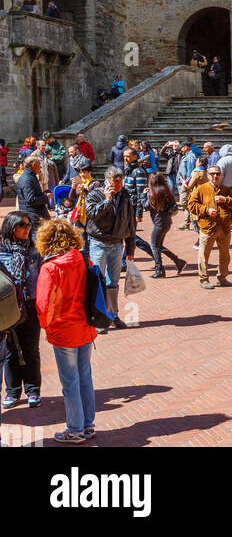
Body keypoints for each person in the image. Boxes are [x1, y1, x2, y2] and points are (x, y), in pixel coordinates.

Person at [34, 217, 97, 444]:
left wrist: (46, 325)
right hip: (84, 325)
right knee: (84, 377)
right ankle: (87, 425)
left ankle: (75, 429)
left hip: (64, 329)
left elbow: (43, 304)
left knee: (70, 382)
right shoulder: (81, 258)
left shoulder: (50, 267)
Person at [84, 168, 136, 328]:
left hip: (117, 244)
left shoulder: (125, 195)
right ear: (107, 180)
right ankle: (98, 318)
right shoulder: (95, 194)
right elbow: (91, 214)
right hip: (98, 243)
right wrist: (107, 201)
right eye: (116, 182)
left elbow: (130, 222)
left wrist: (131, 248)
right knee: (98, 282)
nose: (119, 185)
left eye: (121, 182)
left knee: (113, 282)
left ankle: (113, 315)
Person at [0, 211, 42, 409]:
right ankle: (13, 391)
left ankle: (33, 390)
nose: (27, 229)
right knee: (9, 350)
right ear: (11, 227)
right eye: (22, 225)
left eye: (29, 225)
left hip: (30, 304)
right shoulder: (1, 251)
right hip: (8, 307)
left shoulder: (34, 251)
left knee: (31, 348)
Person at [188, 164, 232, 287]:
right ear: (208, 175)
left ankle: (222, 277)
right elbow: (191, 205)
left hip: (224, 227)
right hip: (208, 227)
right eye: (212, 173)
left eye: (217, 173)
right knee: (203, 255)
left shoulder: (225, 189)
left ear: (221, 176)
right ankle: (204, 279)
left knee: (225, 255)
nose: (215, 176)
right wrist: (207, 211)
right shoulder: (201, 189)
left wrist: (226, 200)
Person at [144, 173, 186, 279]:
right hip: (166, 221)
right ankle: (178, 261)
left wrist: (143, 195)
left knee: (154, 245)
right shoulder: (167, 191)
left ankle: (160, 269)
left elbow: (145, 206)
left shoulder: (153, 193)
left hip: (159, 223)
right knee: (158, 246)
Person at [16, 155, 52, 221]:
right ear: (34, 165)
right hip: (33, 216)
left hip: (35, 214)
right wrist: (46, 197)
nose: (41, 167)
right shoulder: (27, 179)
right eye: (39, 164)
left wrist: (43, 194)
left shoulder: (30, 176)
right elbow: (31, 199)